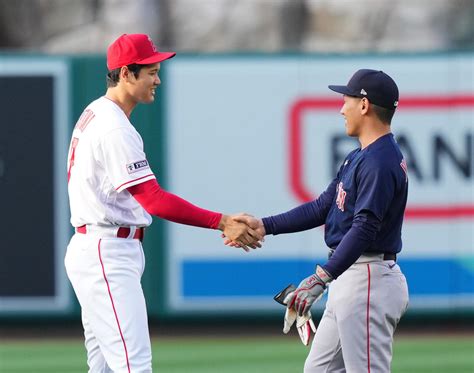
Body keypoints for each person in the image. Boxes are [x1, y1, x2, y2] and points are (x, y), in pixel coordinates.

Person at [64, 33, 262, 373]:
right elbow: (153, 200)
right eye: (151, 71)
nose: (158, 79)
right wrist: (222, 221)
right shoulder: (114, 127)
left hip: (100, 247)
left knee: (106, 368)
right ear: (126, 73)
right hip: (106, 252)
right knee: (134, 366)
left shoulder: (98, 111)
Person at [230, 69, 409, 372]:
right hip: (350, 277)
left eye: (347, 100)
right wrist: (266, 225)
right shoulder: (360, 156)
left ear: (364, 105)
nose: (342, 108)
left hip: (368, 279)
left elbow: (365, 228)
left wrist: (321, 277)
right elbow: (322, 206)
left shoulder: (380, 161)